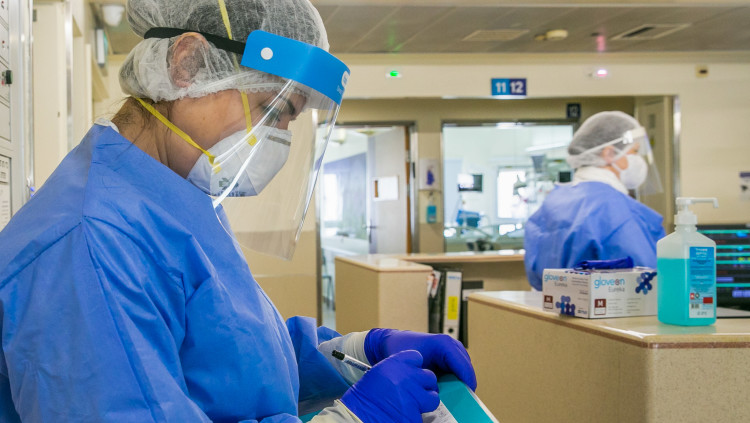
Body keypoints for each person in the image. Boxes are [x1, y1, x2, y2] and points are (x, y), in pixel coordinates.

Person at [0, 0, 476, 422]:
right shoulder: (90, 241)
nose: (279, 137)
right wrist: (352, 419)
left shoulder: (174, 191)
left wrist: (356, 353)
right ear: (188, 63)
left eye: (288, 119)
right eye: (272, 108)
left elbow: (230, 354)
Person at [524, 111, 666, 291]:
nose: (638, 160)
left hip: (556, 305)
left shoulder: (555, 201)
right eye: (634, 152)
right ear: (609, 153)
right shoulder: (615, 209)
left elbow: (537, 274)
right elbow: (649, 281)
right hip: (609, 307)